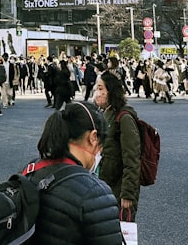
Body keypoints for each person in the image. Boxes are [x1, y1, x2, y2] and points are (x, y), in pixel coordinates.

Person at [26, 101, 123, 243]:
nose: (99, 154)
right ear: (93, 137)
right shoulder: (95, 193)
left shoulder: (31, 169)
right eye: (101, 147)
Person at [93, 71, 141, 222]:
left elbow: (132, 158)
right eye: (96, 88)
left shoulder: (124, 118)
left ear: (111, 91)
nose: (97, 93)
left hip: (118, 188)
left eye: (101, 89)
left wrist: (127, 194)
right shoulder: (104, 114)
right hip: (103, 184)